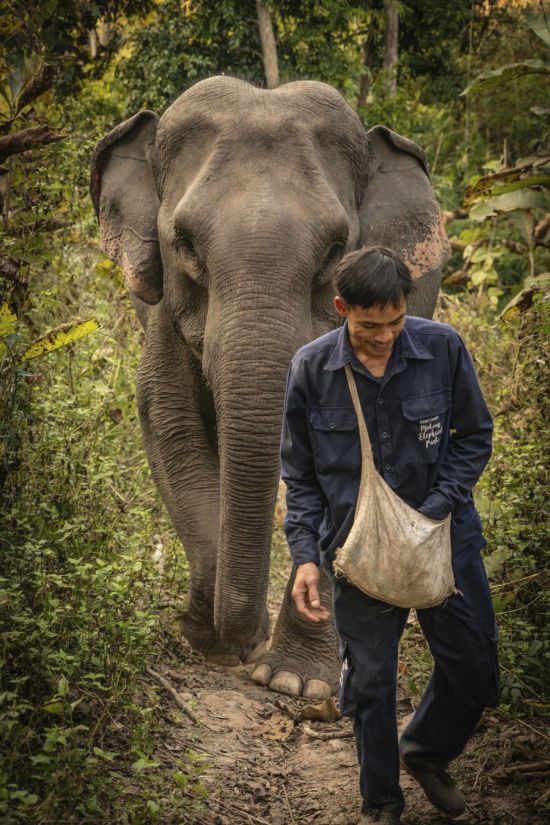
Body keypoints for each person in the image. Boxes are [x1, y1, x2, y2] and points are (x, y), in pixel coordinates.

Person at [280, 246, 500, 825]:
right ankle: (382, 801)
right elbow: (299, 475)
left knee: (475, 669)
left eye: (396, 322)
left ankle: (425, 751)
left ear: (409, 308)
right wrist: (305, 557)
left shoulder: (443, 348)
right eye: (369, 325)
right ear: (341, 308)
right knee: (371, 682)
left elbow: (474, 435)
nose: (384, 336)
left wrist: (433, 510)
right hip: (359, 554)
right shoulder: (310, 368)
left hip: (445, 542)